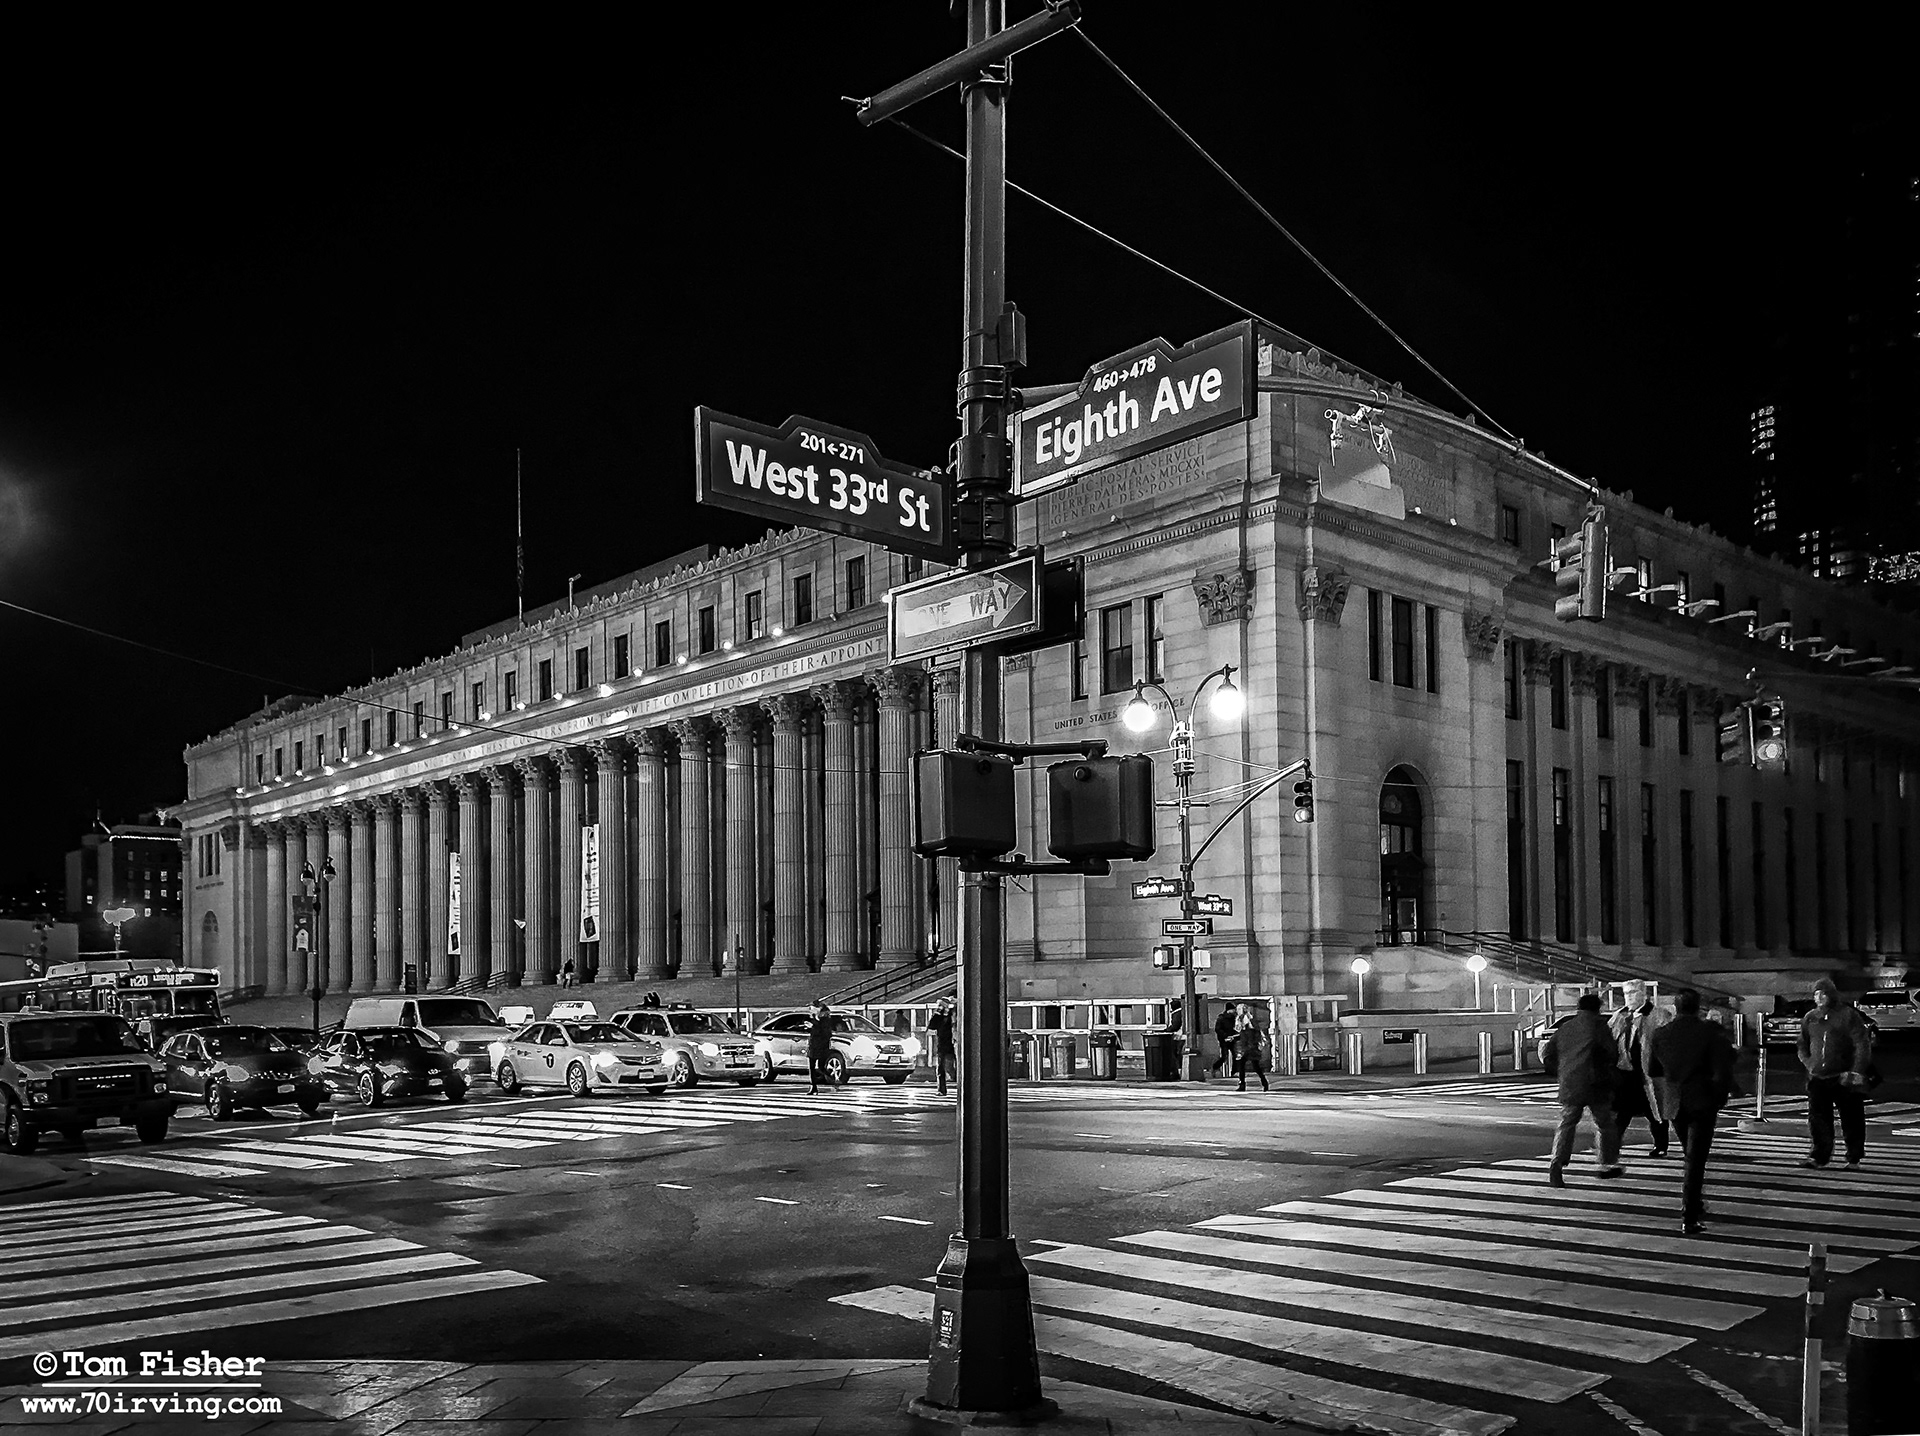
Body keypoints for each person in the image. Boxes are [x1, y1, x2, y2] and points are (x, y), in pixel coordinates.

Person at [1648, 988, 1736, 1234]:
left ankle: (1694, 1203)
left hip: (1675, 1101)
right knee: (1696, 1159)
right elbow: (1722, 1068)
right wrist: (1721, 1095)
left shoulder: (1661, 1033)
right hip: (1702, 1099)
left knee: (1690, 1153)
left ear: (1676, 1007)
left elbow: (1653, 1069)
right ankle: (1689, 1214)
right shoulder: (1709, 1032)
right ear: (1699, 1007)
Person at [1542, 992, 1625, 1185]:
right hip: (1596, 1084)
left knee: (1567, 1122)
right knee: (1605, 1124)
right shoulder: (1599, 1026)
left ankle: (1557, 1161)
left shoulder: (1566, 1027)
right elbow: (1612, 1053)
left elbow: (1548, 1053)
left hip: (1570, 1084)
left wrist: (1563, 1072)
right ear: (1598, 1008)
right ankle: (1606, 1163)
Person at [1798, 977, 1875, 1169]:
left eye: (1823, 993)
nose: (1819, 997)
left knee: (1852, 1118)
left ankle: (1854, 1158)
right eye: (1816, 993)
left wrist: (1856, 1071)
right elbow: (1802, 1044)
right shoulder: (1811, 1017)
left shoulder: (1848, 1015)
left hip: (1844, 1076)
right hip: (1818, 1077)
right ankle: (1819, 1156)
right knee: (1818, 1120)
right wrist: (1810, 1064)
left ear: (1831, 994)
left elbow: (1861, 1044)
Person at [1609, 981, 1672, 1157]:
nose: (1629, 996)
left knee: (1655, 1112)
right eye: (1626, 993)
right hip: (1624, 1073)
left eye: (1633, 992)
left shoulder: (1658, 1015)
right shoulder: (1619, 1016)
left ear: (1643, 993)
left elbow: (1666, 1044)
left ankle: (1661, 1145)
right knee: (1620, 1113)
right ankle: (1611, 1147)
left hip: (1648, 1072)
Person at [1234, 1005, 1268, 1092]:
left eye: (1239, 1009)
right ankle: (1263, 1082)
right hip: (1247, 1046)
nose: (1237, 1011)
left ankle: (1243, 1084)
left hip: (1250, 1046)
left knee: (1252, 1065)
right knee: (1252, 1065)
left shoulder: (1248, 1019)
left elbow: (1251, 1031)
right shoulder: (1240, 1019)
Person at [806, 1001, 837, 1095]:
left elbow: (826, 1033)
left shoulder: (825, 1018)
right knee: (811, 1067)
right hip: (813, 1044)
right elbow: (814, 1031)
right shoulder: (815, 1017)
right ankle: (813, 1087)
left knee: (820, 1066)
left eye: (811, 1008)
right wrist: (810, 1027)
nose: (810, 1010)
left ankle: (833, 1079)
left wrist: (814, 1026)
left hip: (821, 1045)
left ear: (818, 1008)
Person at [928, 998, 957, 1096]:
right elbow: (932, 1026)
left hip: (954, 1043)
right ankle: (941, 1089)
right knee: (941, 1068)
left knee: (954, 1067)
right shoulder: (939, 1017)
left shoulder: (953, 1015)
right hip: (943, 1045)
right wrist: (937, 1013)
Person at [1210, 1004, 1239, 1078]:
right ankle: (1215, 1067)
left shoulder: (1234, 1018)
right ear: (1228, 1010)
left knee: (1235, 1055)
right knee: (1224, 1056)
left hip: (1232, 1039)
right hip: (1224, 1040)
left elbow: (1235, 1028)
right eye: (1233, 1009)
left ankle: (1234, 1071)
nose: (1234, 1011)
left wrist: (1234, 1035)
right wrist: (1225, 1036)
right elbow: (1218, 1029)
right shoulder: (1221, 1018)